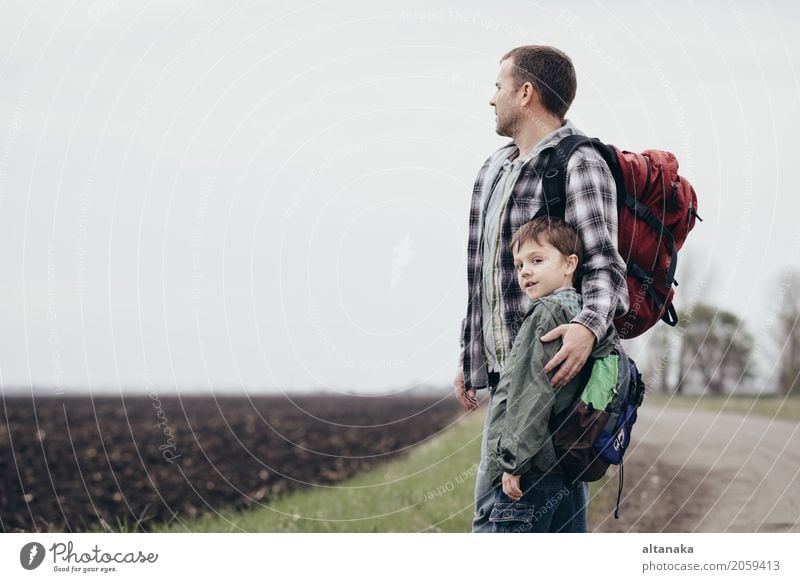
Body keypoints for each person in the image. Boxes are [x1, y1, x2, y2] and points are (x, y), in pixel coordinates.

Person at [454, 45, 629, 533]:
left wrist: (588, 330)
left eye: (498, 87)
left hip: (548, 386)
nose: (492, 99)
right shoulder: (493, 170)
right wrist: (470, 358)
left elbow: (604, 268)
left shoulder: (579, 163)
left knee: (499, 524)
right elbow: (481, 274)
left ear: (525, 92)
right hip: (508, 379)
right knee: (554, 529)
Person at [485, 217, 619, 533]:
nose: (525, 272)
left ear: (570, 263)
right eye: (519, 265)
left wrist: (514, 463)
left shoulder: (545, 314)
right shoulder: (586, 320)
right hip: (568, 463)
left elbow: (530, 394)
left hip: (533, 467)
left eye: (537, 260)